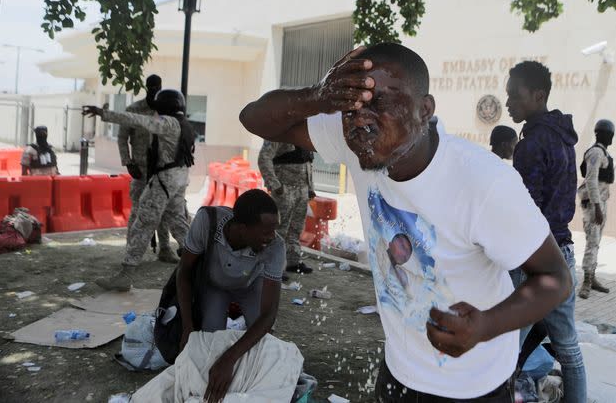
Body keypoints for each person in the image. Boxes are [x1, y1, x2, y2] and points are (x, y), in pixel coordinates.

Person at [240, 43, 572, 402]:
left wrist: (485, 325)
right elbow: (254, 118)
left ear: (424, 110)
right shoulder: (355, 139)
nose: (360, 119)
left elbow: (555, 278)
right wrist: (319, 96)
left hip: (475, 385)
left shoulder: (482, 182)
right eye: (350, 107)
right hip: (399, 372)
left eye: (380, 103)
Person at [506, 60, 586, 403]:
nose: (508, 102)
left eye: (514, 96)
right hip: (563, 251)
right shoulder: (562, 138)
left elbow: (526, 210)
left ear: (538, 96)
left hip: (533, 255)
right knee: (568, 347)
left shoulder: (531, 145)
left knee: (506, 342)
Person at [177, 189, 285, 403]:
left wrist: (230, 359)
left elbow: (268, 315)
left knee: (265, 341)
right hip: (214, 286)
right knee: (209, 344)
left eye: (274, 230)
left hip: (250, 286)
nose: (272, 237)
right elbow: (184, 272)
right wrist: (187, 328)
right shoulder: (207, 221)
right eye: (265, 232)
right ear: (243, 229)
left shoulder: (276, 246)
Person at [83, 89, 195, 291]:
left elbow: (136, 120)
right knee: (179, 223)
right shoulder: (185, 125)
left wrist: (104, 113)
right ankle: (200, 266)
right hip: (180, 178)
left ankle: (126, 274)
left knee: (142, 223)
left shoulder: (169, 124)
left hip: (164, 180)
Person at [117, 74, 177, 263]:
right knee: (138, 211)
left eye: (156, 87)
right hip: (141, 170)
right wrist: (128, 162)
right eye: (151, 87)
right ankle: (131, 250)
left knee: (163, 210)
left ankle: (165, 248)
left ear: (161, 87)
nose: (154, 90)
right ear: (146, 87)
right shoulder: (134, 110)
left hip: (162, 170)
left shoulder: (168, 111)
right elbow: (122, 137)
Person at [257, 140, 315, 275]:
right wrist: (275, 185)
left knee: (296, 229)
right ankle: (274, 266)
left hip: (302, 191)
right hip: (284, 190)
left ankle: (292, 262)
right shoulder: (278, 133)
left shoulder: (302, 136)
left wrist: (310, 188)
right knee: (278, 230)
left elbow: (307, 163)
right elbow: (264, 158)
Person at [577, 119, 615, 299]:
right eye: (610, 135)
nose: (612, 139)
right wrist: (598, 207)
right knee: (592, 242)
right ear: (604, 135)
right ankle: (586, 281)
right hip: (594, 205)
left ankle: (592, 278)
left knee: (596, 241)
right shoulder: (596, 153)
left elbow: (601, 179)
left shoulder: (603, 153)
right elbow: (591, 180)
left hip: (600, 202)